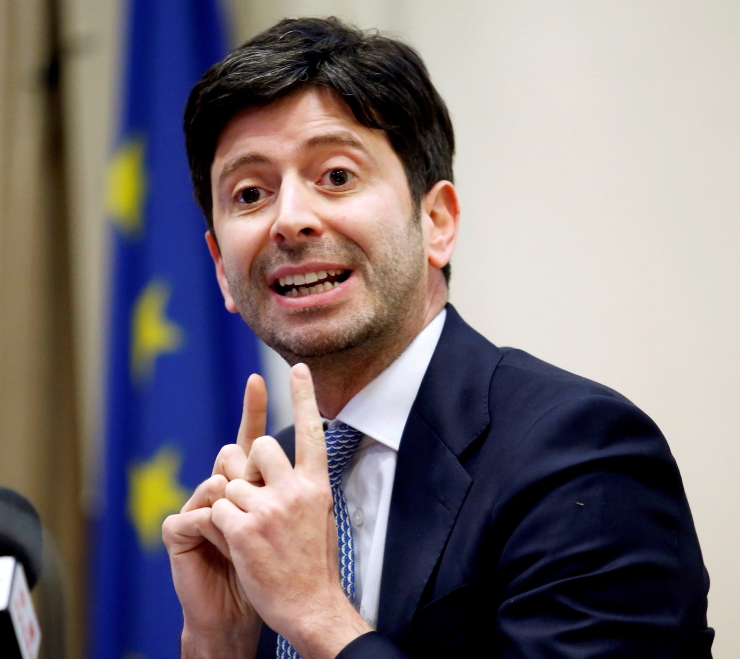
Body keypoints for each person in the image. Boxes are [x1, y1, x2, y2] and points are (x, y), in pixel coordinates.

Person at [161, 16, 713, 659]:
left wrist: (316, 615)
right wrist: (217, 647)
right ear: (221, 271)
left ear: (437, 221)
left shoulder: (581, 454)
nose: (291, 220)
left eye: (336, 176)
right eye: (251, 193)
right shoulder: (266, 487)